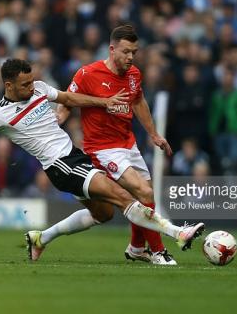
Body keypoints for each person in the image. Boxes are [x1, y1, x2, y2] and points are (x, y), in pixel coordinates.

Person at [0, 59, 205, 261]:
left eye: (32, 82)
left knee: (104, 214)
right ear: (8, 86)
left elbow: (70, 99)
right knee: (122, 195)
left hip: (74, 156)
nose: (31, 87)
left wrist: (103, 103)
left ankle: (40, 238)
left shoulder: (37, 88)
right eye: (24, 85)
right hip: (60, 166)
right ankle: (177, 233)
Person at [55, 25, 176, 265]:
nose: (130, 57)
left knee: (145, 198)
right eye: (126, 52)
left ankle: (136, 248)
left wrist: (153, 134)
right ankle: (158, 251)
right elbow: (68, 100)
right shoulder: (88, 74)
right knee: (144, 192)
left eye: (134, 52)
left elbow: (139, 101)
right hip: (102, 148)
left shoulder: (134, 75)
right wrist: (58, 120)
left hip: (128, 144)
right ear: (112, 49)